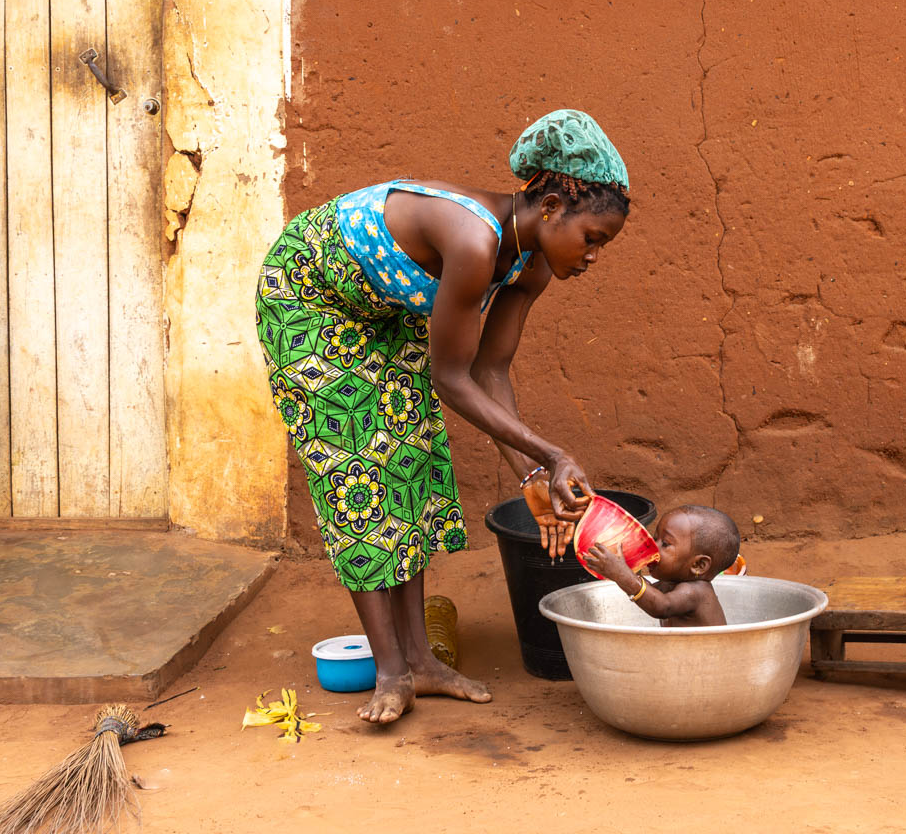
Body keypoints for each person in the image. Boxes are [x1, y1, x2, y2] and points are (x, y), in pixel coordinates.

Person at [256, 109, 631, 722]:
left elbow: (488, 373)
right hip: (309, 302)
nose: (593, 257)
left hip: (382, 309)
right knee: (356, 469)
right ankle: (390, 671)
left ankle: (422, 664)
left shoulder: (530, 263)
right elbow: (451, 378)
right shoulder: (474, 240)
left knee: (407, 460)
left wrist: (531, 478)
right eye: (592, 239)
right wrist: (553, 456)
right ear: (554, 204)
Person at [584, 505, 740, 627]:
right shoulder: (671, 584)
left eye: (665, 544)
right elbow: (648, 593)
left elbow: (661, 606)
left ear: (698, 565)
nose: (653, 547)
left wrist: (623, 576)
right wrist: (622, 568)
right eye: (655, 538)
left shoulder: (696, 591)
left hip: (709, 661)